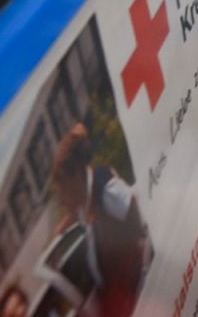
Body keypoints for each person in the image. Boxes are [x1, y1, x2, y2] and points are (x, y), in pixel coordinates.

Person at [51, 123, 150, 317]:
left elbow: (138, 220)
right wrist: (60, 229)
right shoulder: (86, 201)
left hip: (140, 291)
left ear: (76, 177)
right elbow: (77, 214)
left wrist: (138, 278)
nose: (62, 198)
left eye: (63, 189)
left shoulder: (104, 187)